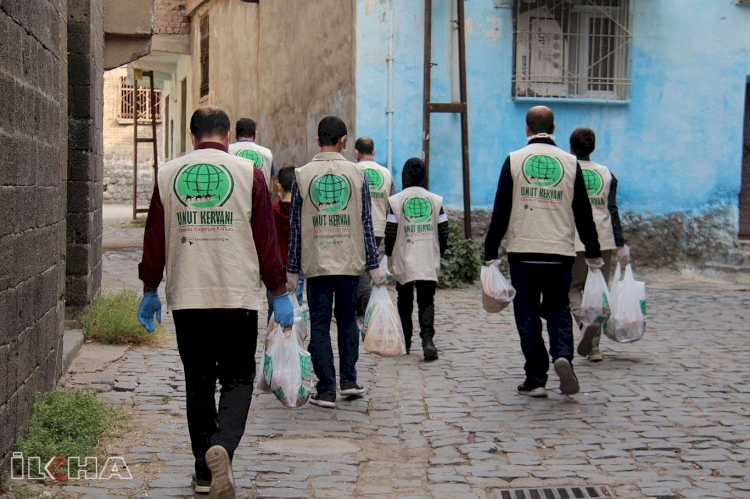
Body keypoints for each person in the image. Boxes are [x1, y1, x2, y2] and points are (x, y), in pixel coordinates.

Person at [137, 106, 294, 499]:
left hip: (188, 297)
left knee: (199, 382)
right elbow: (265, 240)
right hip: (237, 295)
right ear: (227, 136)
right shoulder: (250, 175)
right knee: (239, 378)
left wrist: (149, 288)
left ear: (192, 137)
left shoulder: (168, 174)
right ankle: (222, 444)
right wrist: (278, 291)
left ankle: (203, 474)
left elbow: (155, 236)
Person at [483, 106, 602, 398]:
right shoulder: (570, 163)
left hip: (523, 250)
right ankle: (562, 354)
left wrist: (489, 250)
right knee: (558, 306)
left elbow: (501, 210)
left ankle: (535, 377)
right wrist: (593, 250)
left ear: (527, 128)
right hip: (559, 250)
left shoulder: (513, 161)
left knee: (526, 310)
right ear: (554, 128)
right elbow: (583, 212)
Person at [287, 116, 385, 409]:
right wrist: (373, 263)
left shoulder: (302, 175)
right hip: (349, 261)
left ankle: (326, 389)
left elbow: (295, 228)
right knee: (346, 320)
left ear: (318, 140)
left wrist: (292, 269)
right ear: (344, 140)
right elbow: (366, 223)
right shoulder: (358, 175)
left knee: (318, 324)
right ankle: (350, 380)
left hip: (316, 262)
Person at [567, 127, 630, 362]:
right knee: (599, 291)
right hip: (604, 239)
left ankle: (585, 326)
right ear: (593, 147)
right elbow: (612, 210)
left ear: (571, 148)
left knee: (572, 288)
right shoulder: (606, 173)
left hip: (574, 240)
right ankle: (594, 348)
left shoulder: (567, 170)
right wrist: (621, 244)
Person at [384, 158, 449, 360]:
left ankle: (405, 342)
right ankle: (428, 340)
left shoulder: (395, 201)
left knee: (404, 299)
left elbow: (391, 232)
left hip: (404, 255)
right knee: (426, 300)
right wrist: (440, 251)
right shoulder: (436, 201)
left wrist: (389, 254)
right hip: (427, 255)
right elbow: (444, 230)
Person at [354, 137, 394, 314]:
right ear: (374, 152)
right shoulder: (386, 173)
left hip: (357, 227)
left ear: (356, 152)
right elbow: (391, 202)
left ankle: (365, 304)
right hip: (379, 226)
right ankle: (361, 303)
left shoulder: (353, 170)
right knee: (370, 264)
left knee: (361, 267)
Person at [267, 165, 305, 324]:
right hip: (297, 265)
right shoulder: (303, 210)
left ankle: (273, 343)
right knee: (296, 307)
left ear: (279, 186)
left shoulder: (273, 210)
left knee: (274, 307)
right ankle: (294, 343)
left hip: (276, 266)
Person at [228, 118, 274, 188]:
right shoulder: (267, 153)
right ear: (255, 133)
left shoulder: (227, 150)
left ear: (235, 134)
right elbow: (270, 189)